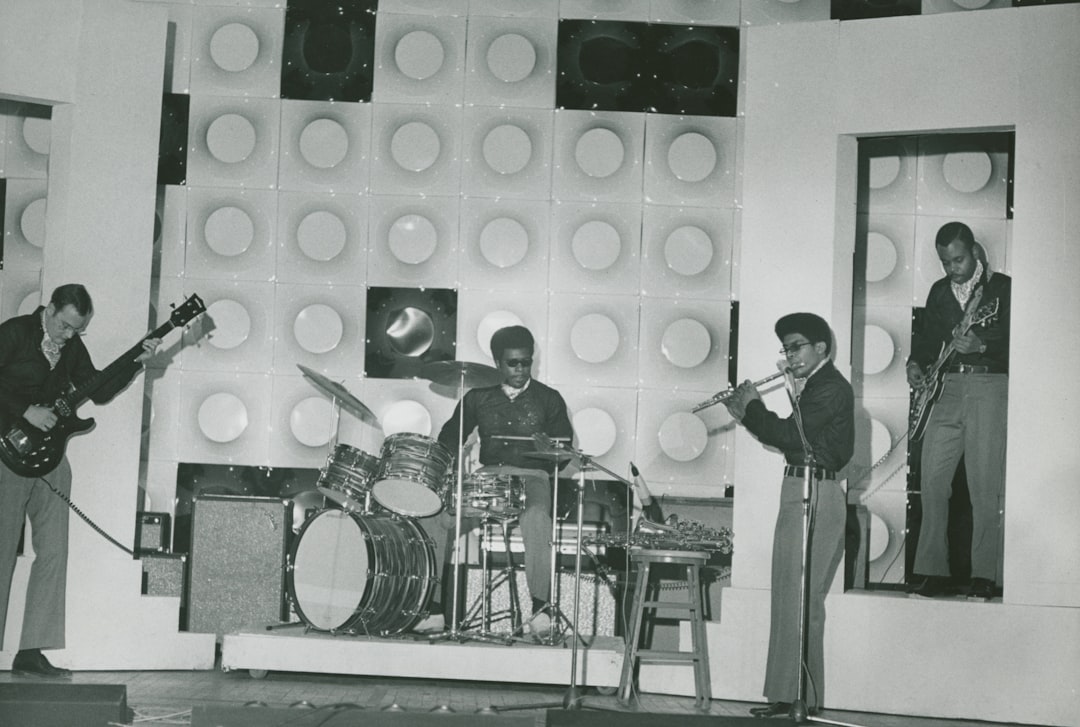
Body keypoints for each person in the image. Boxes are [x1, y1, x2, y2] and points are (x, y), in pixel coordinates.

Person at [0, 284, 159, 678]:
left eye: (76, 330)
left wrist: (136, 362)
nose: (68, 336)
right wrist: (25, 411)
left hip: (50, 458)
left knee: (54, 552)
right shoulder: (14, 333)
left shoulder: (70, 348)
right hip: (6, 451)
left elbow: (98, 389)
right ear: (49, 308)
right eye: (64, 325)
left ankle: (30, 650)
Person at [723, 312, 853, 718]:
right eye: (786, 348)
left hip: (816, 490)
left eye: (797, 347)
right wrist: (751, 412)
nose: (789, 355)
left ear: (821, 348)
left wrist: (751, 410)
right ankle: (787, 693)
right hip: (799, 487)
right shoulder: (814, 385)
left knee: (803, 598)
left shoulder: (830, 387)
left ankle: (802, 698)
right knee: (788, 594)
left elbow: (788, 435)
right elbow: (793, 439)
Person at [415, 325, 574, 636]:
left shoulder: (549, 398)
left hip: (533, 476)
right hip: (490, 476)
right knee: (435, 517)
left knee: (538, 518)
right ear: (497, 363)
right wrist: (445, 470)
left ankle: (540, 610)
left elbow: (564, 454)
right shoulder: (478, 396)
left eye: (526, 362)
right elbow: (449, 440)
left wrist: (552, 451)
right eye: (512, 363)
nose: (520, 369)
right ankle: (433, 611)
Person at [907, 221, 1010, 601]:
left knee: (985, 486)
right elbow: (927, 340)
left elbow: (1023, 340)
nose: (953, 268)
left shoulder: (1003, 289)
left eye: (959, 259)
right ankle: (933, 572)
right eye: (945, 262)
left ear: (975, 250)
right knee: (933, 481)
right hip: (946, 388)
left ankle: (985, 574)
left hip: (989, 386)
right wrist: (914, 363)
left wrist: (983, 346)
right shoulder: (939, 292)